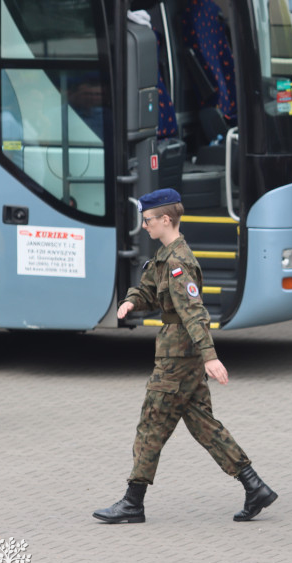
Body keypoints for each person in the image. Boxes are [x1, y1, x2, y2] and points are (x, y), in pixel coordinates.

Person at [92, 188, 276, 524]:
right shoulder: (165, 256)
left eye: (147, 220)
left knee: (151, 424)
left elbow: (194, 312)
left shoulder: (177, 263)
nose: (143, 225)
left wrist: (210, 356)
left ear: (166, 220)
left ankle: (133, 501)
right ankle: (255, 487)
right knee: (204, 425)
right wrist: (132, 300)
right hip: (181, 354)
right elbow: (148, 288)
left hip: (177, 357)